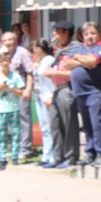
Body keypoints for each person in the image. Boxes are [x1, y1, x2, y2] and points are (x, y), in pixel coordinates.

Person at [61, 21, 101, 167]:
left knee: (97, 124)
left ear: (99, 34)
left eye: (93, 33)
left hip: (95, 92)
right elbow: (66, 64)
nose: (89, 36)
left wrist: (78, 59)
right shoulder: (80, 49)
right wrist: (83, 60)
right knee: (87, 125)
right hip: (79, 92)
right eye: (86, 34)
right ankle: (90, 153)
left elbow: (93, 60)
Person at [43, 21, 80, 168]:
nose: (54, 34)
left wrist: (55, 72)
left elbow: (75, 73)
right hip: (56, 89)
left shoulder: (76, 49)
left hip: (67, 89)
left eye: (57, 31)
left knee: (69, 124)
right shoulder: (60, 50)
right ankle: (58, 156)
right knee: (55, 124)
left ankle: (71, 157)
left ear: (66, 32)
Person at [0, 51, 25, 171]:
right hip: (2, 109)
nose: (4, 63)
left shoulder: (15, 76)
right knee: (2, 134)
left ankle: (14, 156)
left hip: (14, 108)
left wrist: (10, 88)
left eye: (6, 61)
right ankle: (2, 158)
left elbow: (20, 92)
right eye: (2, 61)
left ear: (9, 62)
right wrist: (0, 88)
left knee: (16, 133)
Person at [1, 31, 35, 161]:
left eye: (10, 40)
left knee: (24, 120)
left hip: (22, 90)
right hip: (10, 92)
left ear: (16, 40)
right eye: (5, 40)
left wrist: (28, 90)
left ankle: (26, 149)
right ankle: (16, 147)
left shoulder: (22, 52)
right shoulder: (4, 54)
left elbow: (30, 72)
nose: (8, 43)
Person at [33, 39, 56, 167]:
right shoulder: (39, 61)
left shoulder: (49, 60)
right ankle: (46, 155)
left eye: (35, 47)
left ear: (40, 48)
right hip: (38, 97)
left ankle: (51, 155)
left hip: (47, 96)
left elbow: (53, 79)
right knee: (44, 127)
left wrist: (51, 96)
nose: (34, 50)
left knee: (49, 126)